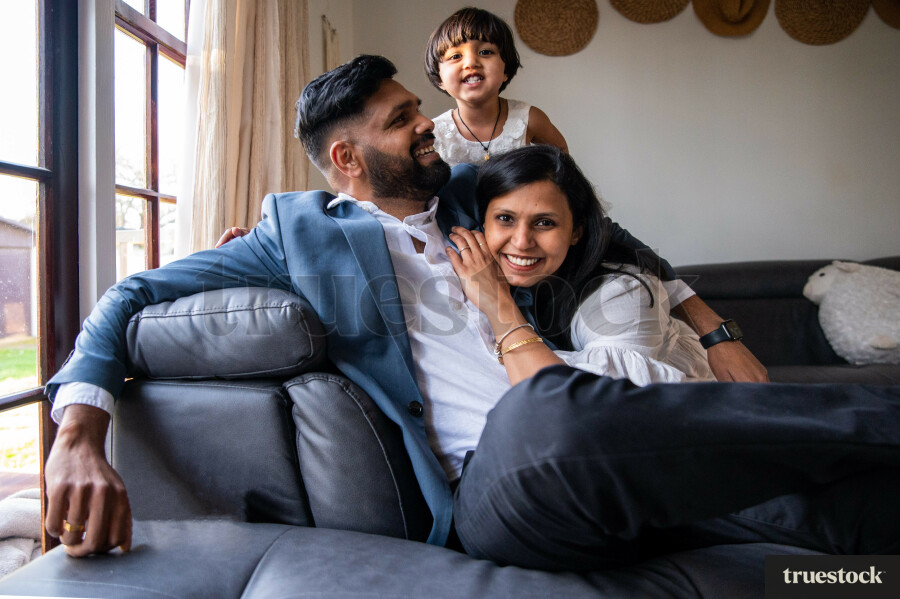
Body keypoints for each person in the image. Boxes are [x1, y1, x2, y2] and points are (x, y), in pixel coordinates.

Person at [44, 56, 796, 563]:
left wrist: (715, 329)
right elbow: (130, 294)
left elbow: (614, 239)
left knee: (794, 496)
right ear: (347, 159)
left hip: (576, 401)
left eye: (418, 109)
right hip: (494, 468)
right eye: (403, 118)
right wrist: (79, 435)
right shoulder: (296, 231)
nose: (427, 123)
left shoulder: (473, 193)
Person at [446, 144, 715, 388]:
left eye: (544, 223)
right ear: (483, 224)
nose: (522, 241)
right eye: (505, 218)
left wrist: (497, 304)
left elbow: (571, 403)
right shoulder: (525, 284)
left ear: (576, 232)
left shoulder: (623, 294)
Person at [424, 7, 567, 166]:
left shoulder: (528, 118)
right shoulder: (434, 133)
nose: (471, 63)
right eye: (455, 56)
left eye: (485, 52)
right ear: (439, 79)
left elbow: (562, 159)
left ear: (506, 69)